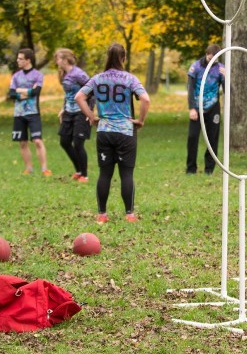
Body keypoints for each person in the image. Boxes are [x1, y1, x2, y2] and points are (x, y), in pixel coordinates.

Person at [75, 43, 150, 224]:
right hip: (125, 131)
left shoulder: (97, 79)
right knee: (126, 174)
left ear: (107, 57)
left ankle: (102, 214)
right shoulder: (130, 79)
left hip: (104, 131)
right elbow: (145, 99)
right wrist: (140, 120)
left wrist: (91, 116)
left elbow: (79, 97)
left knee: (105, 173)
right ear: (123, 59)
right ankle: (130, 214)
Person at [9, 48, 49, 176]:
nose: (18, 61)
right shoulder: (15, 76)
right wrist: (26, 92)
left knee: (37, 141)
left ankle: (44, 169)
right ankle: (29, 169)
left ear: (28, 60)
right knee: (23, 142)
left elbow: (36, 92)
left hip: (33, 112)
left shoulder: (38, 75)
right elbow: (11, 94)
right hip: (19, 113)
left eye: (20, 59)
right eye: (18, 58)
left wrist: (20, 90)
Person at [185, 44, 224, 175]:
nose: (211, 59)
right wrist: (191, 108)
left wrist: (226, 78)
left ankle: (209, 169)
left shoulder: (221, 69)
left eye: (214, 58)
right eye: (209, 56)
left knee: (213, 139)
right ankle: (191, 168)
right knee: (192, 137)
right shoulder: (195, 67)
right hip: (197, 108)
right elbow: (190, 88)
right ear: (206, 54)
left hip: (213, 108)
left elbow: (228, 91)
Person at [55, 49, 92, 183]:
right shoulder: (64, 74)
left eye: (58, 59)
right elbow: (69, 94)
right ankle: (78, 170)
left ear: (65, 60)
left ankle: (85, 175)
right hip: (69, 112)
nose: (56, 61)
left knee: (78, 143)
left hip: (81, 112)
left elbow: (91, 91)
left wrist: (89, 112)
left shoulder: (79, 74)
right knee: (64, 142)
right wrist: (63, 108)